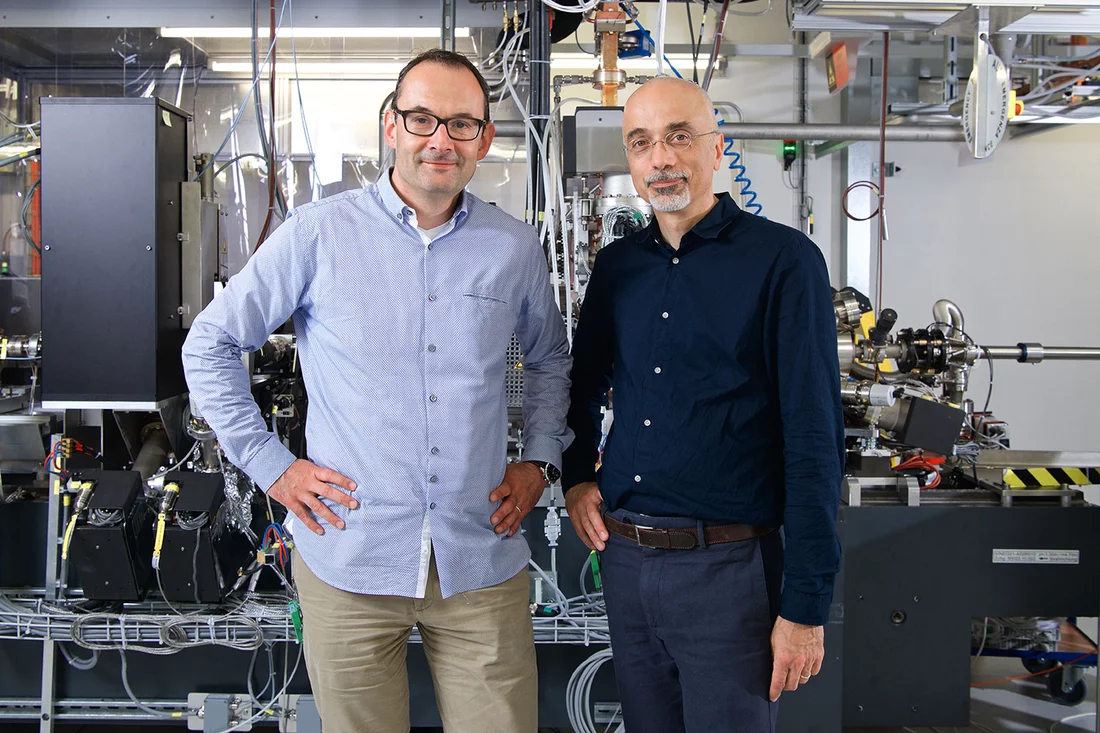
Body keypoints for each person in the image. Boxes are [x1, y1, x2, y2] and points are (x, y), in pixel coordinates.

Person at [182, 49, 572, 733]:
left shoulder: (513, 248)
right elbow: (209, 346)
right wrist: (274, 468)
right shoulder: (316, 234)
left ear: (484, 138)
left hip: (478, 558)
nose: (439, 140)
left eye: (460, 123)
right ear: (390, 125)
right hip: (349, 559)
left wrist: (539, 459)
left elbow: (549, 362)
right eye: (422, 118)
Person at [561, 76, 843, 733]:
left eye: (678, 137)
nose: (660, 158)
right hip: (627, 565)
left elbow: (813, 442)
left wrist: (804, 606)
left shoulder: (785, 262)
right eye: (642, 143)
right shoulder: (617, 267)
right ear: (630, 160)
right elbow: (579, 384)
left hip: (731, 574)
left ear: (717, 148)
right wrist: (577, 474)